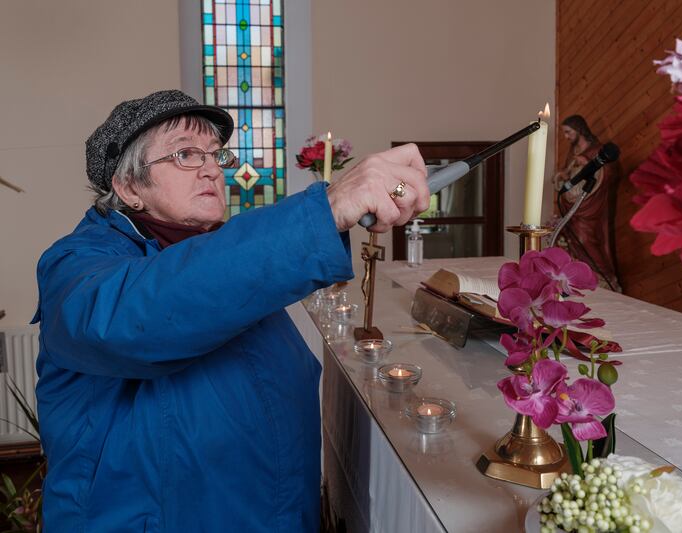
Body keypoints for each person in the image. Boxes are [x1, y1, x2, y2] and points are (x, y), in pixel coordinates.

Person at [33, 90, 430, 532]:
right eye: (185, 154)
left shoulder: (218, 260)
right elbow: (137, 316)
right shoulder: (76, 264)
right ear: (129, 188)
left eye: (215, 155)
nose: (211, 168)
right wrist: (327, 210)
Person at [552, 115, 621, 292]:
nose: (566, 137)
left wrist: (588, 164)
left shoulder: (598, 150)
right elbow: (571, 174)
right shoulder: (573, 151)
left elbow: (610, 171)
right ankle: (581, 276)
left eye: (568, 132)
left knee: (586, 240)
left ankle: (603, 277)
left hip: (592, 207)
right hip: (574, 205)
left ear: (579, 129)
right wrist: (564, 176)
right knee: (573, 241)